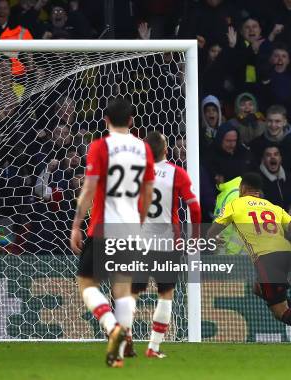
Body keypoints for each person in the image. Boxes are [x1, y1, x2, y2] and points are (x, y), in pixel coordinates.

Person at [69, 97, 154, 367]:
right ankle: (121, 350)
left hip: (104, 226)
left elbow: (89, 189)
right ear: (131, 121)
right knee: (123, 288)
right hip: (131, 227)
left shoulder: (100, 146)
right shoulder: (144, 149)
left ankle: (112, 326)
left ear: (106, 121)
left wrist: (76, 224)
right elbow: (149, 193)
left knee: (86, 283)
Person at [207, 173, 291, 345]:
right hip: (285, 254)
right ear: (258, 191)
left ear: (243, 188)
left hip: (267, 259)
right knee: (258, 289)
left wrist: (213, 239)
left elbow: (211, 232)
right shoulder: (272, 207)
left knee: (279, 311)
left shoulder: (235, 204)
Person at [127, 131, 201, 359]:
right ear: (166, 150)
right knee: (165, 293)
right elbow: (195, 208)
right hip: (168, 242)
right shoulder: (176, 173)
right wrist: (196, 236)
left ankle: (126, 339)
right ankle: (153, 348)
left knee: (131, 293)